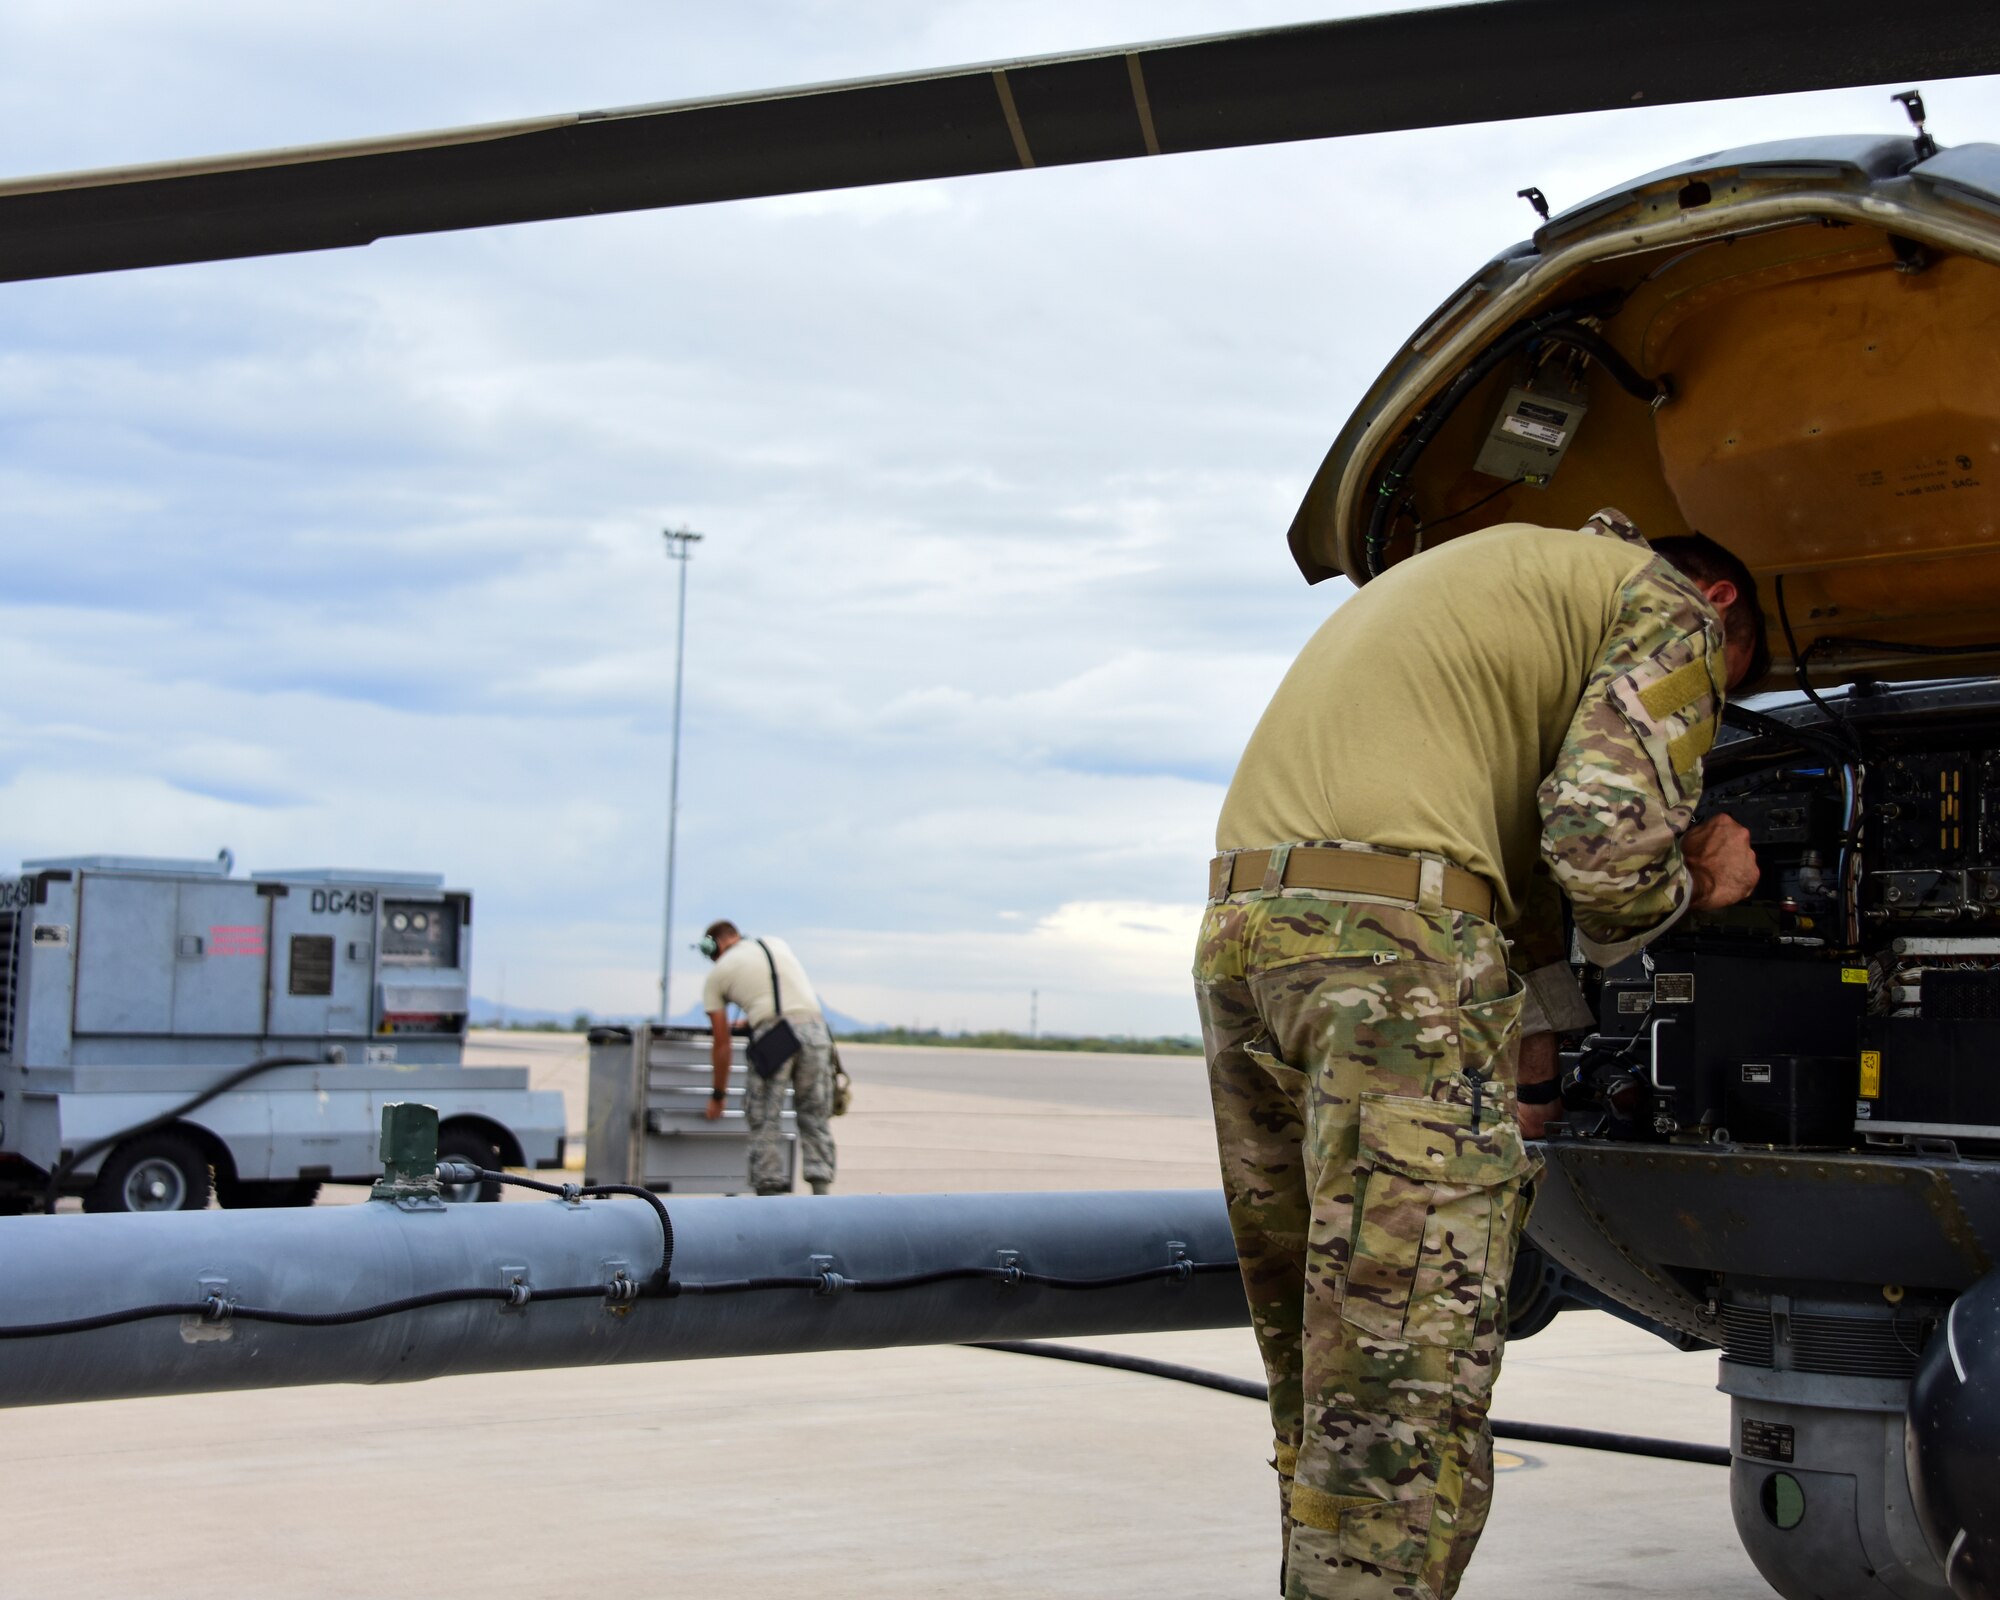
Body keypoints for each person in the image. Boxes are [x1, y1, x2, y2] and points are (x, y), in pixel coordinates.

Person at [1194, 508, 1763, 1600]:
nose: (1704, 709)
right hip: (1390, 956)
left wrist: (1532, 1080)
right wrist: (1698, 876)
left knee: (1321, 1364)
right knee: (1404, 1379)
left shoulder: (1501, 579)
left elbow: (1514, 878)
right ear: (1721, 604)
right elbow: (1597, 857)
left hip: (1250, 936)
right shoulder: (1671, 603)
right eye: (1719, 693)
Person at [698, 919, 837, 1196]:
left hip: (775, 1036)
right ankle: (822, 1195)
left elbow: (721, 1043)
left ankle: (769, 1197)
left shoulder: (718, 974)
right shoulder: (776, 943)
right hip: (818, 1031)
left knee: (765, 1118)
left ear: (714, 946)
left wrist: (717, 1095)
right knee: (815, 1117)